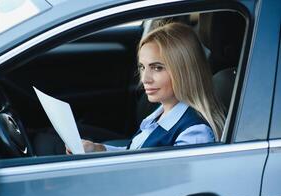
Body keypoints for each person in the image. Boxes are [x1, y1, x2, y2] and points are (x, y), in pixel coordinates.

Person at [67, 22, 225, 153]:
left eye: (157, 68)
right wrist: (98, 149)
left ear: (184, 71)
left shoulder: (194, 133)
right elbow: (135, 154)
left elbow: (169, 184)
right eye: (143, 67)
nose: (145, 79)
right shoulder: (159, 116)